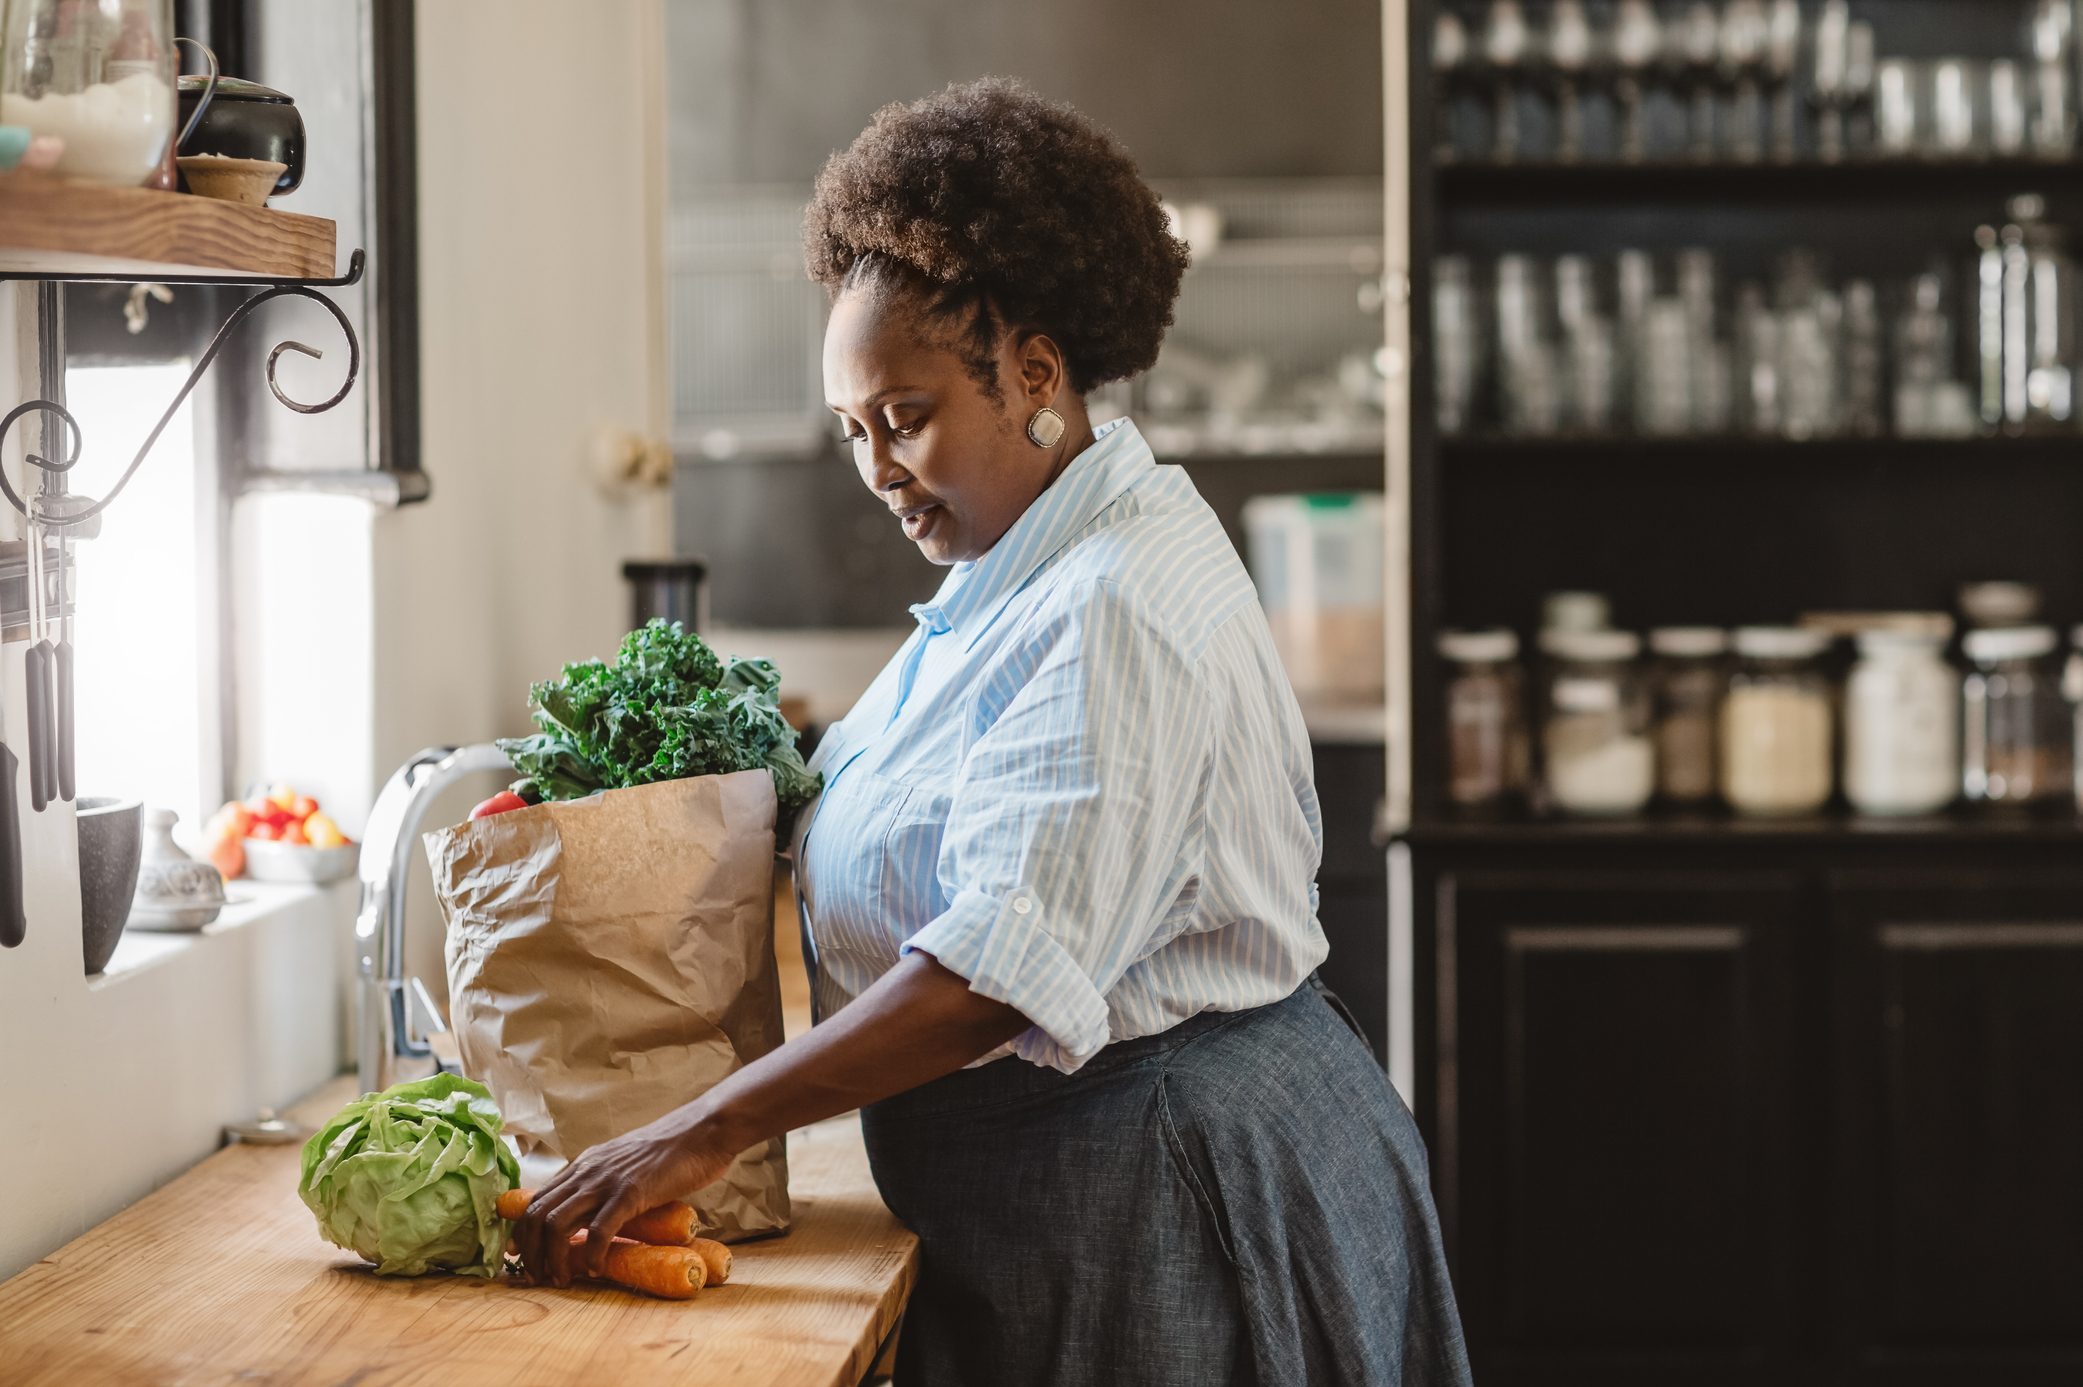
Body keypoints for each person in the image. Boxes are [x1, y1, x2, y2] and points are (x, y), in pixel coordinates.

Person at [516, 77, 1472, 1387]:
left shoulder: (1115, 604)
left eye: (904, 418)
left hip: (1166, 1198)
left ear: (1034, 368)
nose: (877, 468)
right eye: (855, 431)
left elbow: (993, 977)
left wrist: (698, 1131)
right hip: (1070, 1189)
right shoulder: (1016, 560)